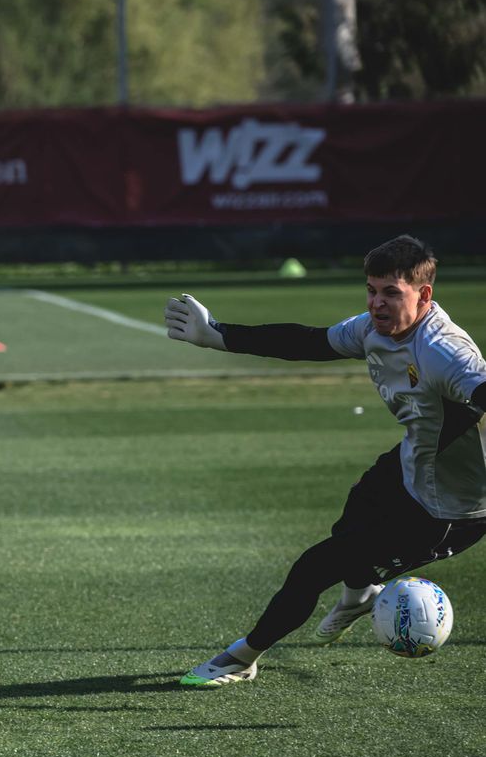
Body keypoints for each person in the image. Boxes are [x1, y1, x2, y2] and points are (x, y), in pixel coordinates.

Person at [164, 235, 486, 687]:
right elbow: (310, 341)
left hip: (450, 510)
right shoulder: (373, 329)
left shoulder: (444, 352)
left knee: (315, 568)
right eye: (371, 290)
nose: (377, 303)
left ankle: (243, 656)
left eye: (391, 293)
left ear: (424, 294)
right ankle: (360, 595)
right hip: (414, 462)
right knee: (362, 500)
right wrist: (218, 335)